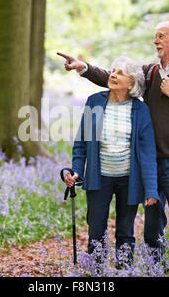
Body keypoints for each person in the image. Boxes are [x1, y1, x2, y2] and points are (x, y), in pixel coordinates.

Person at [58, 21, 169, 273]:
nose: (155, 40)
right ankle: (153, 270)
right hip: (147, 162)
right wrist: (83, 68)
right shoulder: (149, 72)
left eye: (161, 36)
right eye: (155, 36)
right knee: (151, 229)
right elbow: (118, 79)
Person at [63, 56, 158, 264]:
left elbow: (148, 153)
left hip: (129, 180)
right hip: (99, 178)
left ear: (131, 83)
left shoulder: (141, 110)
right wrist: (76, 171)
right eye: (113, 71)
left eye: (120, 73)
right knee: (96, 230)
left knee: (125, 232)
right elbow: (81, 144)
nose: (113, 75)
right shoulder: (94, 102)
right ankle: (97, 274)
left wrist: (151, 189)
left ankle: (125, 270)